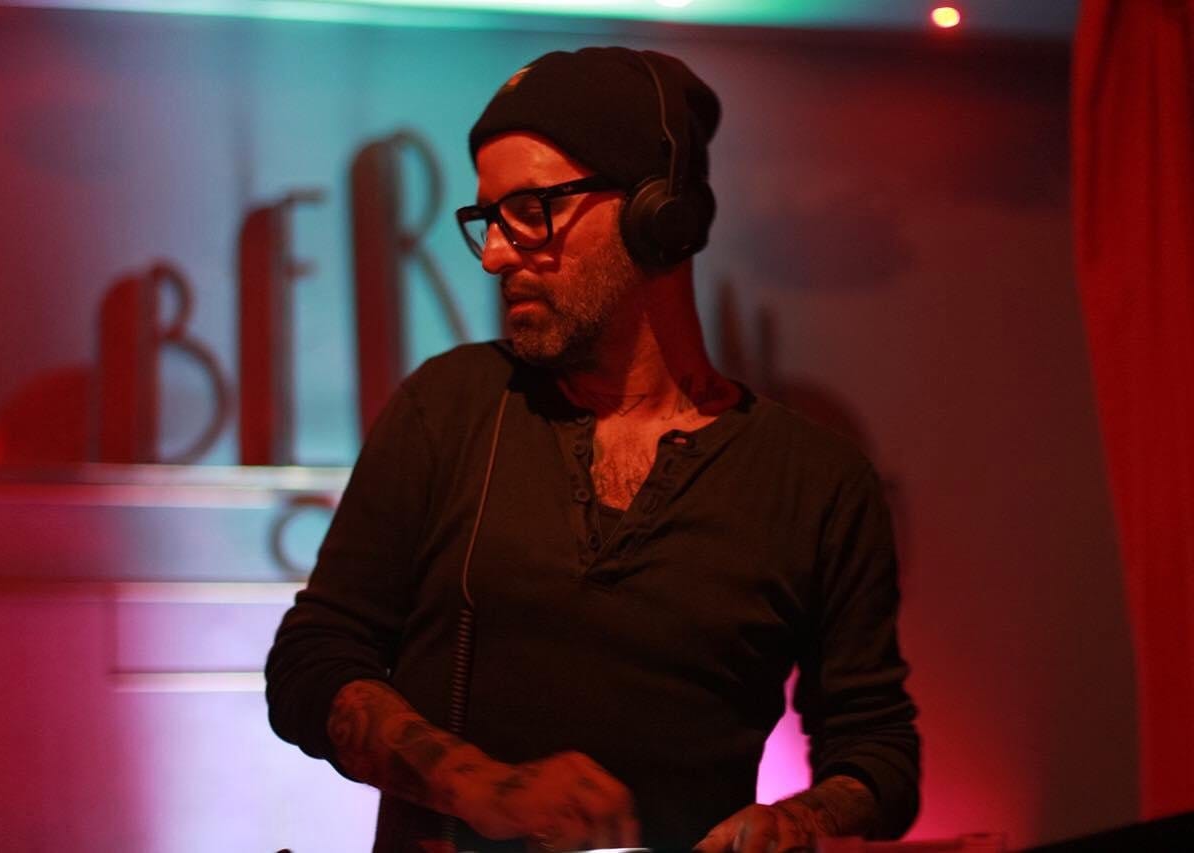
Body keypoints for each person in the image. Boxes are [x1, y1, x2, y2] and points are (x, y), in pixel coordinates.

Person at [266, 46, 919, 853]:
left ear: (658, 215)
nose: (497, 252)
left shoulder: (819, 482)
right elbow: (311, 662)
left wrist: (801, 821)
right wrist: (479, 783)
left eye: (530, 209)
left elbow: (878, 749)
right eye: (487, 218)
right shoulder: (451, 405)